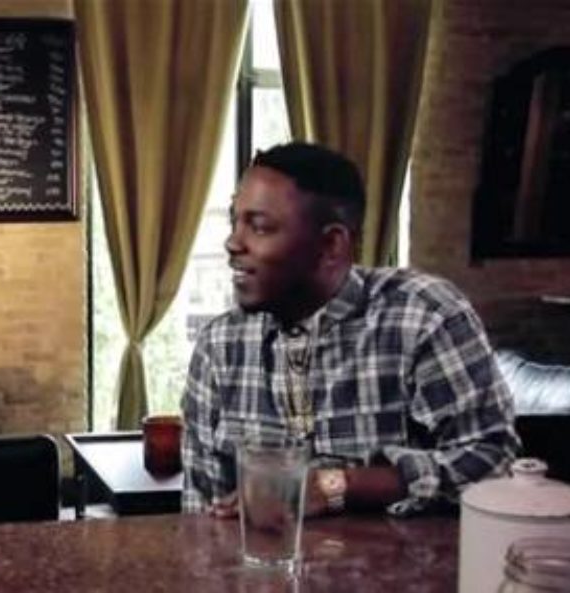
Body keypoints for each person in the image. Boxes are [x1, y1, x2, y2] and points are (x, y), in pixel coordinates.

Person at [181, 142, 519, 519]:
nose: (232, 243)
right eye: (235, 222)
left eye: (258, 227)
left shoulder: (424, 315)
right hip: (261, 560)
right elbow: (202, 516)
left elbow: (493, 465)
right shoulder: (218, 346)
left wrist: (337, 486)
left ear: (331, 245)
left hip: (401, 559)